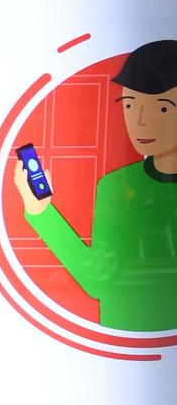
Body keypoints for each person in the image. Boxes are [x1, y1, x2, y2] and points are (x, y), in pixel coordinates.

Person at [15, 39, 177, 332]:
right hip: (123, 341)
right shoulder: (115, 185)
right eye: (130, 104)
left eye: (162, 109)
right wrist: (40, 213)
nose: (140, 121)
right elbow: (98, 280)